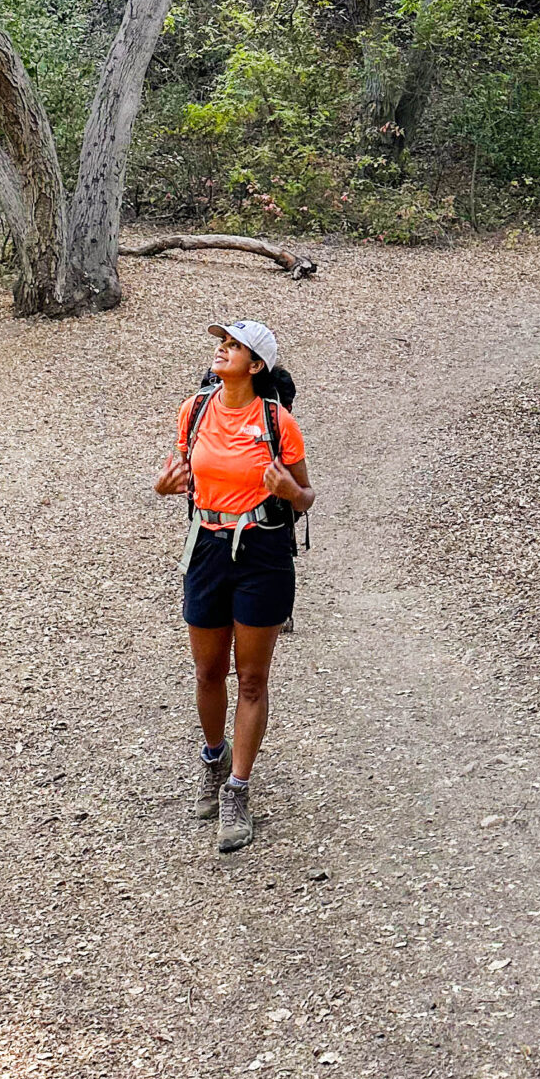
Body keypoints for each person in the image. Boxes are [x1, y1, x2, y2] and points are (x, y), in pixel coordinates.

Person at [154, 318, 314, 855]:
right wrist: (163, 486)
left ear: (256, 365)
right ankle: (212, 757)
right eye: (221, 343)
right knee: (205, 671)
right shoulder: (195, 410)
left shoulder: (278, 421)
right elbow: (177, 475)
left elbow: (306, 497)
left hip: (264, 551)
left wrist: (289, 489)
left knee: (250, 678)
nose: (222, 350)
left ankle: (238, 791)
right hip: (206, 546)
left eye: (234, 346)